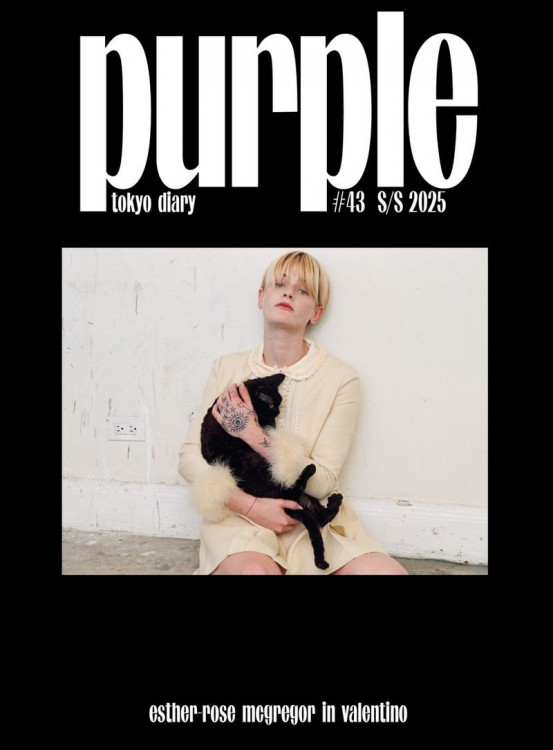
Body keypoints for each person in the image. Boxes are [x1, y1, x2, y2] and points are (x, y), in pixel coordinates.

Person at [178, 251, 408, 575]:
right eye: (280, 284)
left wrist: (254, 436)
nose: (288, 293)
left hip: (312, 521)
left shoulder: (341, 378)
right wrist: (252, 507)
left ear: (316, 312)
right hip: (240, 519)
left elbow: (323, 482)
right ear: (261, 297)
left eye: (302, 290)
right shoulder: (227, 368)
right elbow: (190, 459)